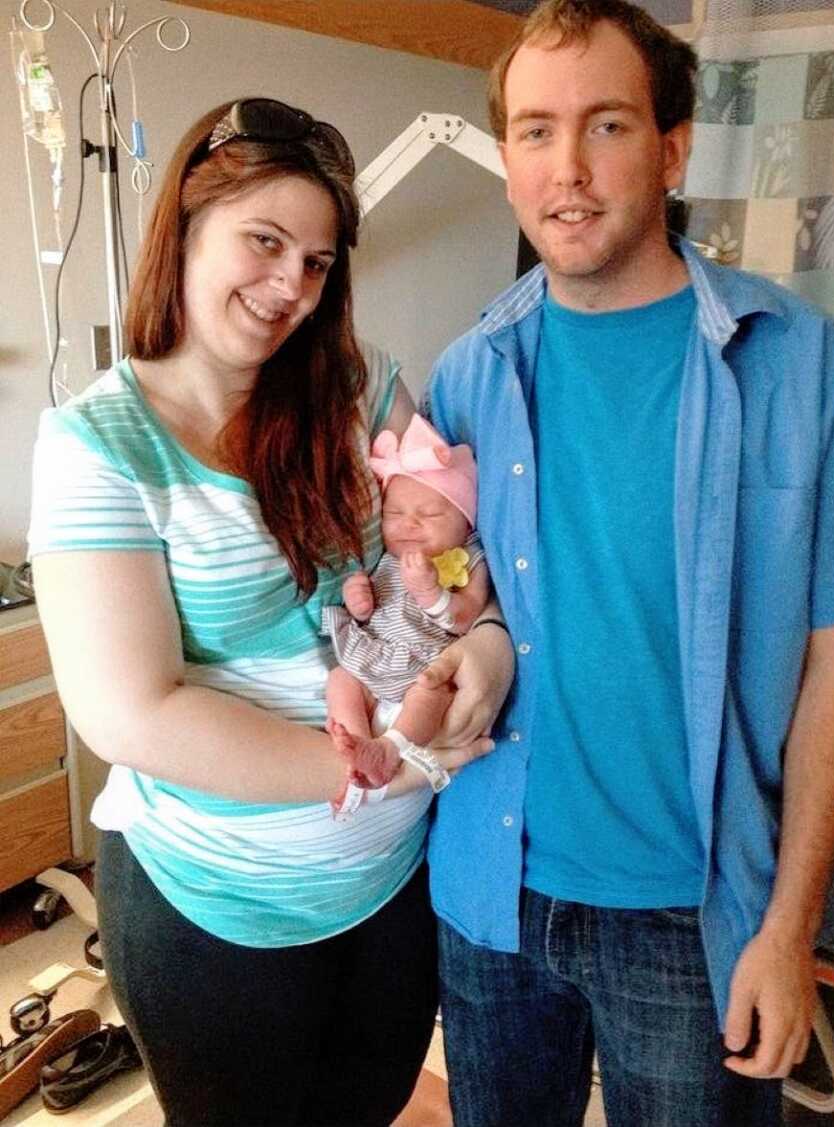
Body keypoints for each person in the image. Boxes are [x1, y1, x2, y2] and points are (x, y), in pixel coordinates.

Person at [418, 3, 834, 1125]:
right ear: (506, 163)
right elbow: (454, 583)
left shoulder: (803, 368)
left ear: (673, 148)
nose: (568, 169)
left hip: (695, 918)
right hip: (493, 895)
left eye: (608, 126)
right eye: (535, 132)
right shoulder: (468, 374)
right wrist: (431, 615)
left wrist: (788, 927)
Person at [28, 97, 509, 1127]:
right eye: (265, 240)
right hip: (216, 908)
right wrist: (393, 763)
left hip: (389, 884)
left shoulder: (359, 385)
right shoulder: (97, 444)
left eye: (319, 260)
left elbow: (447, 539)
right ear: (188, 227)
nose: (291, 284)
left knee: (373, 1104)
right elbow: (132, 713)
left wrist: (488, 628)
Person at [323, 413, 490, 810]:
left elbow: (468, 615)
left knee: (432, 692)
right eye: (394, 515)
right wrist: (359, 601)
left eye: (431, 515)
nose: (409, 525)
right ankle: (355, 749)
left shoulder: (467, 558)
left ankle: (389, 748)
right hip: (377, 658)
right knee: (340, 679)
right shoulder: (387, 559)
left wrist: (433, 592)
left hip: (425, 664)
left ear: (465, 523)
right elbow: (372, 614)